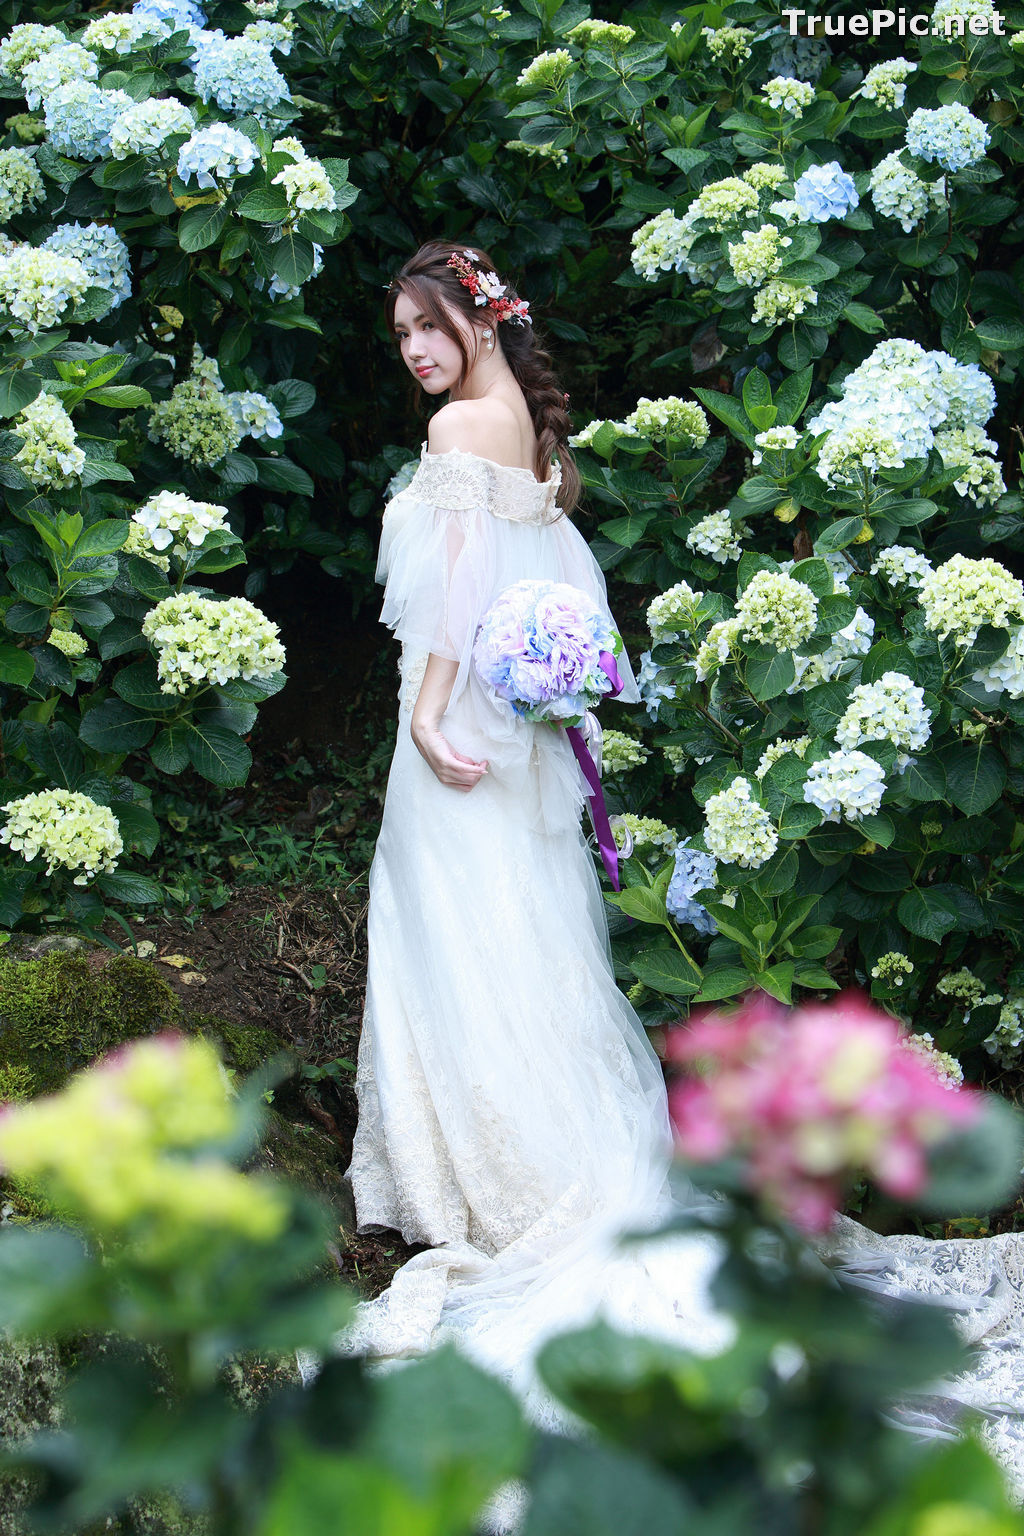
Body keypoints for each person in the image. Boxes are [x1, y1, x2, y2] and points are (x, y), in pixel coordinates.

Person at [339, 240, 1024, 1517]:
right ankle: (517, 1161)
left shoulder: (456, 434)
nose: (415, 355)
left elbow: (453, 596)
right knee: (521, 934)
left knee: (454, 926)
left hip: (462, 731)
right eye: (401, 340)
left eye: (425, 330)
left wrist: (431, 721)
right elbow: (542, 584)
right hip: (523, 737)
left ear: (476, 325)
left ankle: (492, 1183)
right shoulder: (529, 434)